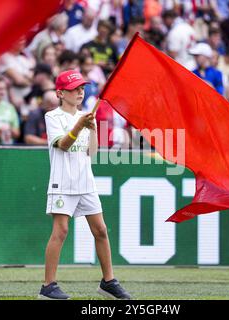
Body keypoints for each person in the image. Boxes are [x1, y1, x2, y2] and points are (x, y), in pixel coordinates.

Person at [39, 70, 131, 300]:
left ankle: (108, 282)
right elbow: (63, 144)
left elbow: (91, 152)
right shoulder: (53, 117)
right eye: (74, 88)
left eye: (82, 87)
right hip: (64, 181)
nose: (80, 91)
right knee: (60, 231)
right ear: (60, 93)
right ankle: (48, 287)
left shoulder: (85, 115)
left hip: (86, 181)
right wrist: (80, 126)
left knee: (100, 230)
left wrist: (92, 129)